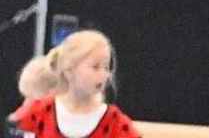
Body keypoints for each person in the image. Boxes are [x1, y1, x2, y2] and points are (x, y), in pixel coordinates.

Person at [8, 31, 141, 138]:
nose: (104, 75)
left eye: (106, 67)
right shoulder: (37, 112)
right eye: (95, 67)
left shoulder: (115, 122)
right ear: (69, 71)